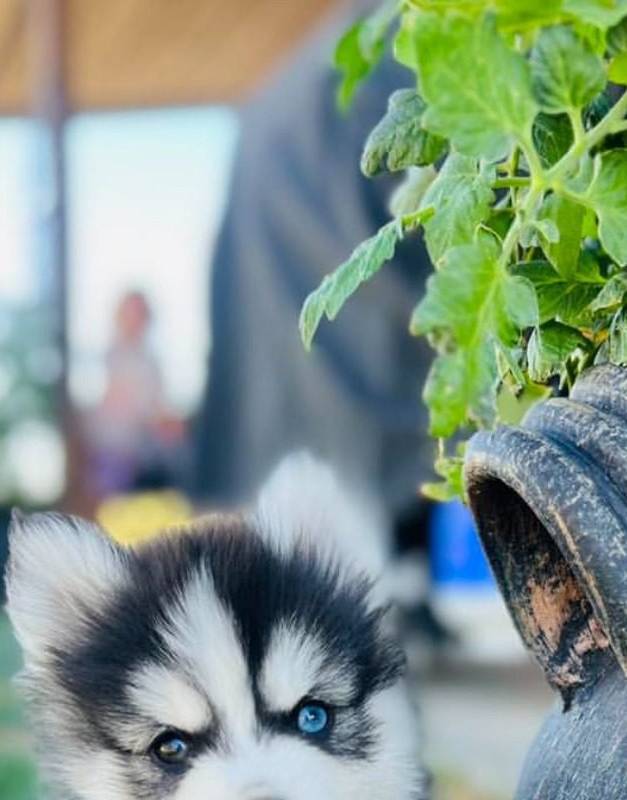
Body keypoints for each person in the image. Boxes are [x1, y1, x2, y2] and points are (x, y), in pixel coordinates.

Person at [192, 16, 452, 645]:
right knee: (388, 421)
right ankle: (380, 603)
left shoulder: (325, 61)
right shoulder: (397, 38)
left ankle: (394, 598)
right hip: (339, 257)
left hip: (296, 261)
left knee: (344, 436)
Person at [82, 290, 185, 510]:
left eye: (140, 313)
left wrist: (167, 424)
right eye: (130, 313)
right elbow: (128, 404)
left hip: (143, 453)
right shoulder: (114, 354)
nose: (135, 320)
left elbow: (155, 406)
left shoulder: (150, 359)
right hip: (115, 450)